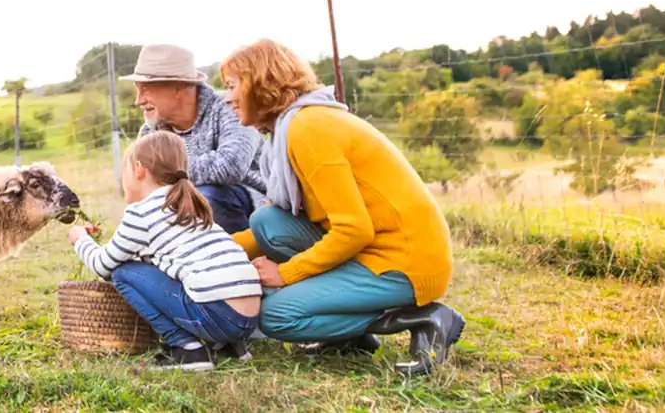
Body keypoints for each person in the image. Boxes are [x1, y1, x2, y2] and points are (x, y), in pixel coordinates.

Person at [217, 39, 463, 376]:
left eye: (232, 86)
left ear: (261, 82)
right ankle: (350, 338)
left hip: (405, 261)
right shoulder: (290, 129)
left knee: (275, 315)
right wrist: (209, 251)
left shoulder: (308, 129)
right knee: (268, 221)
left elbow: (354, 229)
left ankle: (424, 317)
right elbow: (278, 224)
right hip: (371, 249)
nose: (227, 97)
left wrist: (287, 273)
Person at [66, 130, 262, 372]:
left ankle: (187, 349)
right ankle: (228, 345)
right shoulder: (189, 204)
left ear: (139, 169)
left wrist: (80, 239)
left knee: (123, 273)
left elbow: (103, 265)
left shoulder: (141, 213)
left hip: (218, 314)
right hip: (248, 317)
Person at [123, 43, 265, 234]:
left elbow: (230, 165)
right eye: (137, 89)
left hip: (255, 214)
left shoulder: (231, 107)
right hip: (187, 218)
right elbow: (142, 189)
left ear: (179, 87)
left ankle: (231, 260)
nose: (138, 100)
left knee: (204, 196)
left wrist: (162, 171)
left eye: (146, 89)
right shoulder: (150, 133)